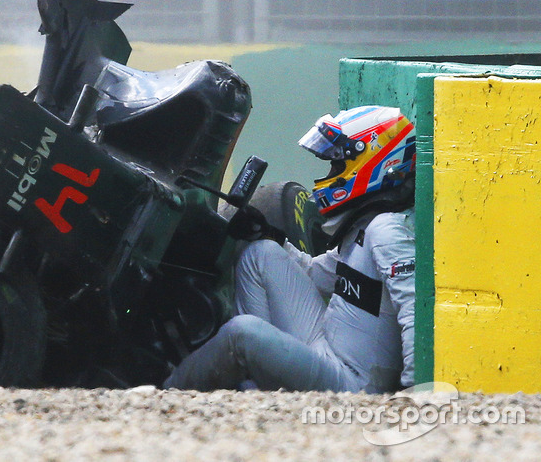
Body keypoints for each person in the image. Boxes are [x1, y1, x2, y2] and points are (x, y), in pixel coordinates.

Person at [163, 105, 416, 393]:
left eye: (337, 165)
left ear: (376, 160)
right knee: (260, 255)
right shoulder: (365, 223)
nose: (331, 173)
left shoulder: (387, 230)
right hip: (326, 346)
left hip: (352, 385)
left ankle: (164, 395)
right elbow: (317, 276)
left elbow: (415, 313)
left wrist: (412, 394)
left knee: (241, 332)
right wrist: (270, 236)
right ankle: (257, 384)